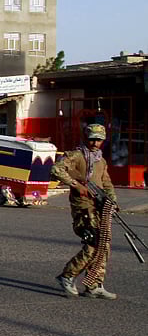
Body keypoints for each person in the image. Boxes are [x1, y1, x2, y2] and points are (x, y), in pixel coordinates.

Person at [51, 123, 118, 299]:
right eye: (92, 139)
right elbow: (56, 169)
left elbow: (107, 183)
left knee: (104, 245)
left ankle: (94, 284)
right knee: (93, 243)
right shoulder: (76, 155)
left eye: (99, 140)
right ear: (85, 138)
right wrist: (76, 185)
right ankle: (67, 276)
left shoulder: (100, 160)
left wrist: (113, 201)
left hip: (99, 207)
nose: (95, 143)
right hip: (83, 207)